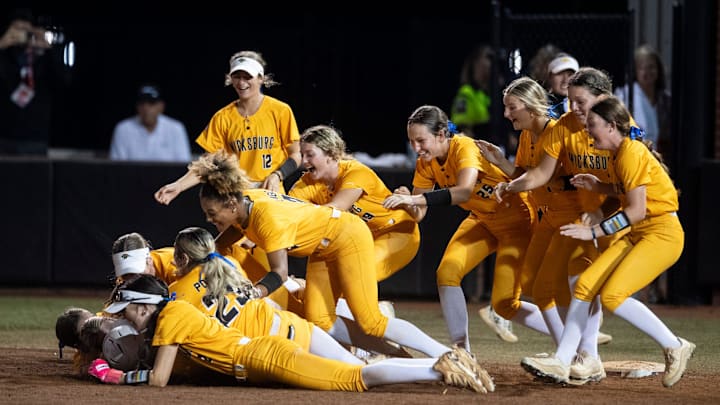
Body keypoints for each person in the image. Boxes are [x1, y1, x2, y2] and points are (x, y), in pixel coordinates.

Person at [193, 150, 455, 360]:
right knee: (320, 320)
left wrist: (254, 292)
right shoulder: (243, 203)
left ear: (230, 204)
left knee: (371, 321)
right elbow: (223, 242)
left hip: (348, 236)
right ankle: (402, 357)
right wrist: (197, 257)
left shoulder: (266, 219)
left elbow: (279, 274)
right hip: (323, 247)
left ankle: (446, 355)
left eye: (212, 213)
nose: (209, 218)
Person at [520, 96, 695, 388]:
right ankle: (565, 361)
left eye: (593, 126)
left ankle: (675, 344)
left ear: (612, 126)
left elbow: (637, 210)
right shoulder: (619, 153)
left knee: (613, 296)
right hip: (641, 232)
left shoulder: (630, 152)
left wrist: (594, 232)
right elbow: (624, 192)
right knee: (586, 284)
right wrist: (598, 187)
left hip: (662, 233)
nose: (588, 132)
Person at [87, 274, 494, 393]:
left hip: (262, 356)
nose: (129, 319)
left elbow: (158, 380)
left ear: (142, 305)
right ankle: (438, 363)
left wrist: (115, 375)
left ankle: (439, 370)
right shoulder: (174, 312)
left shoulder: (170, 317)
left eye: (129, 311)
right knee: (354, 366)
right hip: (273, 338)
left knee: (353, 379)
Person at [493, 68, 629, 385]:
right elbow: (536, 175)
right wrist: (507, 173)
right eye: (571, 100)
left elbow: (628, 189)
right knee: (544, 289)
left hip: (595, 217)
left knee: (594, 290)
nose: (574, 107)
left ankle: (585, 356)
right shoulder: (556, 129)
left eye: (512, 106)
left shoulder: (611, 131)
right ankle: (570, 356)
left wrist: (598, 217)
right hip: (564, 218)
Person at [382, 105, 540, 353]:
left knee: (505, 305)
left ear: (442, 134)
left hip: (517, 222)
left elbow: (464, 190)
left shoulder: (464, 147)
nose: (416, 148)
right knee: (446, 273)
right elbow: (419, 213)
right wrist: (406, 201)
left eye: (421, 140)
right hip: (482, 219)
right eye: (412, 141)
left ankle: (572, 342)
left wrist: (416, 200)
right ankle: (461, 351)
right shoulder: (426, 163)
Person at [154, 50, 301, 204]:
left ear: (260, 78)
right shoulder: (222, 117)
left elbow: (296, 154)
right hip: (237, 200)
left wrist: (278, 175)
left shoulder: (280, 111)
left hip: (272, 197)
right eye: (237, 77)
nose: (241, 83)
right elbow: (208, 163)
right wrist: (179, 185)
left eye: (247, 77)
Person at [0, 8, 70, 156]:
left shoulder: (43, 60)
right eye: (17, 30)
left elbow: (64, 81)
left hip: (35, 138)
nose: (21, 35)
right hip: (4, 137)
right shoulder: (4, 58)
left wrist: (48, 47)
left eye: (25, 30)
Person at [109, 84, 192, 162]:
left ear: (161, 106)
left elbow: (183, 165)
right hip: (132, 177)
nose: (146, 108)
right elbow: (117, 167)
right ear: (137, 106)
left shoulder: (176, 129)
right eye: (142, 103)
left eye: (151, 103)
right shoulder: (123, 129)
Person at [614, 44, 672, 155]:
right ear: (635, 71)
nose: (647, 72)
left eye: (651, 67)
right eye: (642, 68)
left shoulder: (666, 99)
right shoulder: (624, 95)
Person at [450, 45, 494, 141]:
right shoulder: (466, 92)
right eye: (488, 57)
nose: (492, 63)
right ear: (476, 63)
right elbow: (460, 128)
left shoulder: (486, 94)